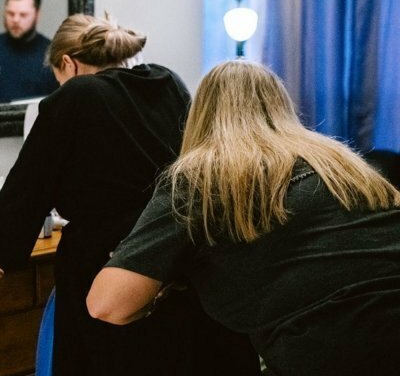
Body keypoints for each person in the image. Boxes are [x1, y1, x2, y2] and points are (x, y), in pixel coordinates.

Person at [87, 60, 400, 376]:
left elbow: (107, 304)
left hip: (327, 354)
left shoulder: (202, 176)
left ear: (201, 114)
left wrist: (157, 291)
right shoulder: (341, 162)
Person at [0, 18, 261, 376]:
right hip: (177, 257)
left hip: (108, 271)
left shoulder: (75, 96)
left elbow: (24, 195)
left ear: (68, 63)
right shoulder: (167, 82)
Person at [0, 0, 58, 102]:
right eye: (11, 14)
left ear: (37, 15)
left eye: (23, 15)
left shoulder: (52, 53)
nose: (15, 20)